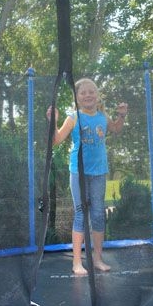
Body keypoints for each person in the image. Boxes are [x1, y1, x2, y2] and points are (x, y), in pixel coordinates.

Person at [47, 78, 128, 275]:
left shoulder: (102, 117)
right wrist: (53, 122)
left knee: (98, 214)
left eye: (91, 91)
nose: (88, 95)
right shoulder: (73, 117)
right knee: (81, 213)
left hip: (99, 172)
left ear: (97, 95)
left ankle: (97, 259)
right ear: (77, 97)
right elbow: (56, 139)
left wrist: (121, 116)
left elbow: (116, 129)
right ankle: (77, 262)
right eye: (83, 93)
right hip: (79, 173)